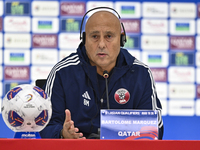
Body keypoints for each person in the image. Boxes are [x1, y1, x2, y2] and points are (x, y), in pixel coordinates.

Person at [40, 8, 164, 139]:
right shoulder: (63, 72)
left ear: (122, 40)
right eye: (94, 36)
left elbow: (155, 128)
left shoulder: (140, 74)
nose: (101, 44)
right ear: (84, 40)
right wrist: (62, 134)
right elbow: (46, 124)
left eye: (109, 36)